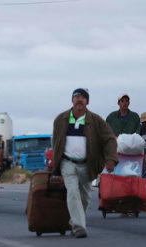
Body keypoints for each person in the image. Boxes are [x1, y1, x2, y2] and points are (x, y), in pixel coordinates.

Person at [52, 88, 118, 238]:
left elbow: (109, 140)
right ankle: (79, 226)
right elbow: (56, 143)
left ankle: (74, 221)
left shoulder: (96, 120)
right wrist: (55, 166)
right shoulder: (60, 119)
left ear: (87, 101)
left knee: (85, 197)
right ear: (72, 100)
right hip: (67, 163)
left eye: (82, 97)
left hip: (88, 164)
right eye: (76, 97)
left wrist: (110, 159)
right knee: (73, 192)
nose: (79, 99)